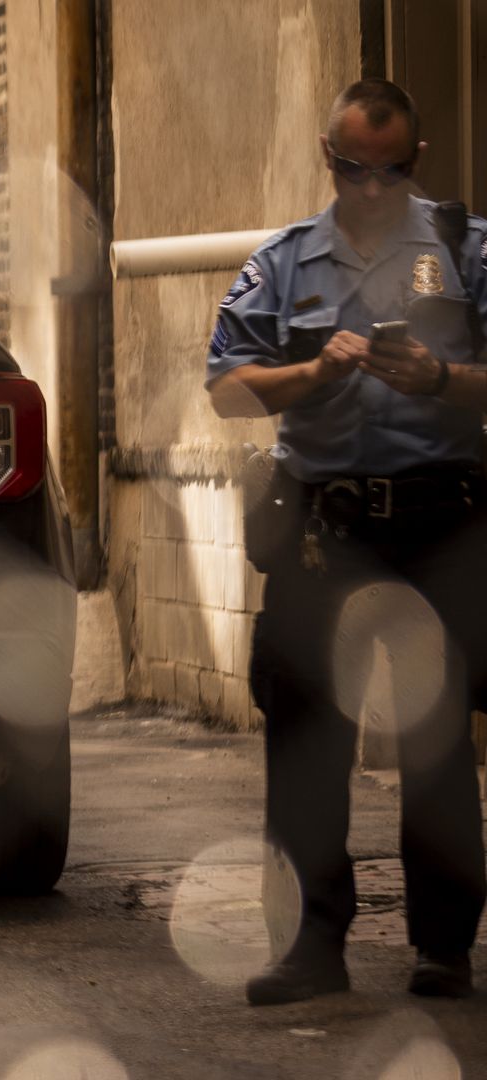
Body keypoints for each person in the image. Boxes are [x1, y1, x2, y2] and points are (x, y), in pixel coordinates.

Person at [208, 77, 487, 1006]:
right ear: (329, 158)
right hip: (325, 530)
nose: (373, 189)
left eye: (392, 171)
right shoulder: (283, 263)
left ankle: (443, 949)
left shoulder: (464, 249)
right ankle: (310, 948)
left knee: (439, 745)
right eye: (355, 170)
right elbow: (228, 388)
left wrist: (443, 378)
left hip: (441, 524)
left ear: (416, 160)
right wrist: (311, 373)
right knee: (304, 745)